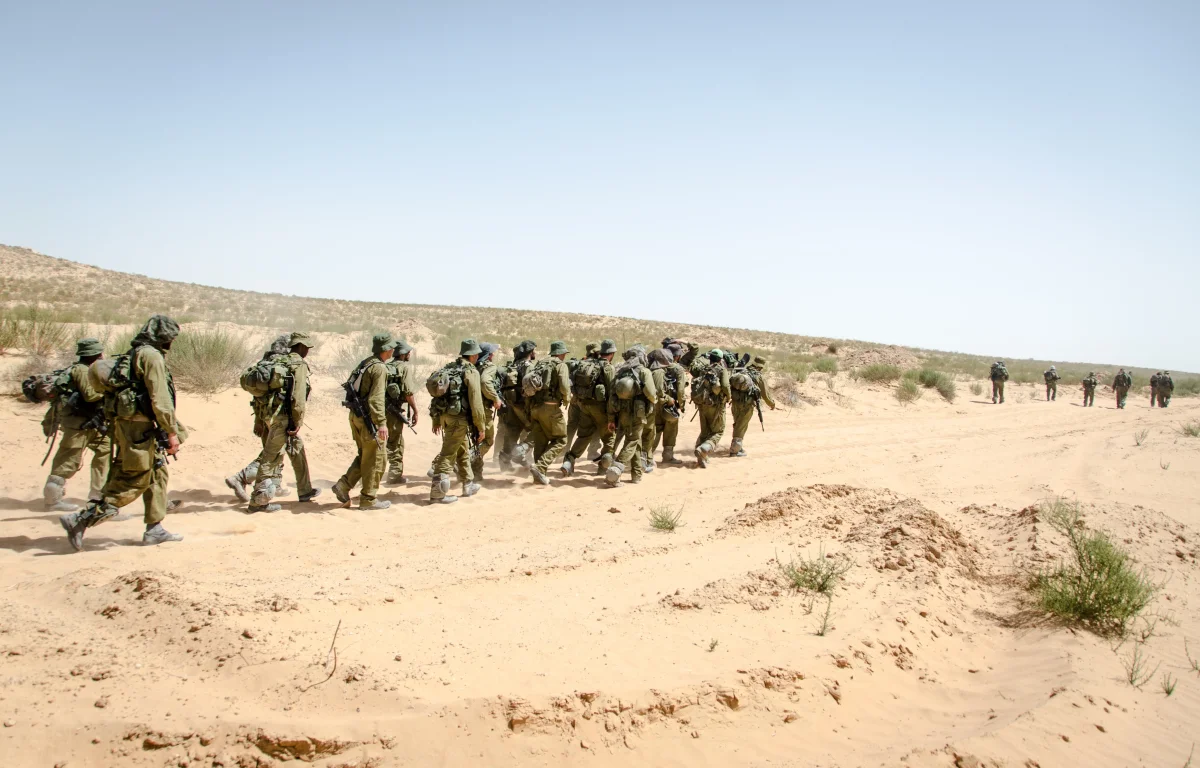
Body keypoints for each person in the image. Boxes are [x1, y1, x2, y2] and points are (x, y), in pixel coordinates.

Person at [60, 315, 185, 550]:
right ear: (164, 336)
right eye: (172, 337)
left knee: (158, 475)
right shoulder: (151, 356)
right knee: (135, 479)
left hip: (132, 425)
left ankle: (154, 529)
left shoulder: (136, 353)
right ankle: (81, 520)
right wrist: (171, 432)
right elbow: (160, 399)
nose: (173, 341)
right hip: (139, 428)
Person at [244, 331, 319, 512]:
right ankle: (257, 502)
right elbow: (298, 398)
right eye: (306, 348)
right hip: (283, 419)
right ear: (300, 347)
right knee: (270, 458)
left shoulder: (276, 361)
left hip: (269, 415)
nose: (307, 351)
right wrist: (297, 422)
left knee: (296, 448)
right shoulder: (297, 364)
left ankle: (305, 491)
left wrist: (261, 419)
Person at [42, 338, 110, 512]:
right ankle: (52, 500)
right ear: (96, 354)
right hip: (78, 424)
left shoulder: (86, 369)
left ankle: (97, 497)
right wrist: (109, 392)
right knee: (67, 460)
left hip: (92, 423)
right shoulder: (81, 370)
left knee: (105, 451)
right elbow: (90, 395)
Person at [331, 333, 394, 510]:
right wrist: (381, 423)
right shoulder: (379, 368)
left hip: (356, 417)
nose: (393, 350)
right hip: (369, 419)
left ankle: (343, 485)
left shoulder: (366, 363)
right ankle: (369, 499)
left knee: (365, 456)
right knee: (376, 459)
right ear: (386, 349)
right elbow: (376, 399)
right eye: (391, 347)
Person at [428, 339, 487, 504]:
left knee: (462, 450)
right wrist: (481, 427)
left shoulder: (449, 368)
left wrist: (436, 419)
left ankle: (468, 484)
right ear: (474, 355)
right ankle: (437, 494)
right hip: (458, 419)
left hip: (445, 416)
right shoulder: (471, 371)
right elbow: (476, 402)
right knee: (448, 454)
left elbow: (437, 398)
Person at [562, 339, 616, 477]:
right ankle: (603, 468)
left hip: (584, 406)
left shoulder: (586, 364)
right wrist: (612, 417)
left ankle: (569, 461)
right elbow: (611, 394)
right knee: (609, 438)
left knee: (584, 435)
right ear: (611, 353)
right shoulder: (608, 367)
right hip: (601, 408)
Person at [605, 348, 657, 487]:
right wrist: (654, 401)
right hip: (638, 414)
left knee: (636, 441)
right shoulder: (644, 372)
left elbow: (611, 397)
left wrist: (611, 419)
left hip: (622, 412)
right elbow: (651, 393)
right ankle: (615, 472)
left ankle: (636, 475)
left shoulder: (620, 372)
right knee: (632, 441)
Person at [526, 341, 572, 485]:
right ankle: (540, 467)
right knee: (561, 440)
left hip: (535, 408)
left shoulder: (539, 363)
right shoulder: (560, 365)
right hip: (550, 408)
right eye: (564, 353)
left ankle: (538, 476)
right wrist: (567, 398)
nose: (564, 356)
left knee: (540, 441)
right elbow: (564, 387)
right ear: (561, 353)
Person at [495, 340, 535, 473]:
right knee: (539, 431)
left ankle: (504, 461)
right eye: (533, 350)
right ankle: (519, 453)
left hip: (512, 405)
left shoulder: (513, 365)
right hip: (525, 406)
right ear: (530, 352)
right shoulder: (528, 366)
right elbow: (531, 387)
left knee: (511, 432)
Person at [384, 340, 418, 486]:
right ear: (403, 354)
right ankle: (395, 475)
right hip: (393, 411)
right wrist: (415, 410)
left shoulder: (386, 366)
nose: (409, 354)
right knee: (396, 443)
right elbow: (408, 392)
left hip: (382, 409)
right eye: (408, 352)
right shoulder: (404, 368)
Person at [690, 349, 732, 468]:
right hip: (716, 405)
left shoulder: (704, 369)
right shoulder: (721, 370)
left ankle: (701, 457)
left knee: (705, 431)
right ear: (720, 359)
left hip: (702, 404)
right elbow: (725, 385)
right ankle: (704, 448)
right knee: (718, 431)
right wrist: (728, 397)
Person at [730, 355, 776, 457]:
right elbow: (765, 395)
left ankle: (738, 445)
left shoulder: (742, 371)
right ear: (761, 366)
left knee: (738, 424)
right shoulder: (758, 376)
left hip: (735, 402)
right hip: (747, 405)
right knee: (742, 426)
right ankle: (735, 450)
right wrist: (772, 404)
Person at [651, 342, 689, 464]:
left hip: (656, 402)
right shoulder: (678, 369)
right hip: (670, 404)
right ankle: (668, 455)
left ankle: (647, 456)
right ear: (677, 356)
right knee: (671, 429)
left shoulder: (656, 366)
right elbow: (681, 390)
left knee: (656, 429)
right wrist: (681, 405)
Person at [472, 342, 503, 479]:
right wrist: (495, 398)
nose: (494, 355)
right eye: (492, 353)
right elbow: (485, 382)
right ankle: (466, 461)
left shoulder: (472, 366)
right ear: (489, 355)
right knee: (488, 440)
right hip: (483, 410)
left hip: (469, 409)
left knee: (476, 440)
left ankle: (476, 473)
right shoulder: (489, 367)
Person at [639, 348, 672, 472]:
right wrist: (668, 399)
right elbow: (658, 393)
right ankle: (646, 460)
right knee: (649, 433)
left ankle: (644, 459)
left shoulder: (647, 370)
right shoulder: (658, 372)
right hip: (651, 407)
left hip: (643, 406)